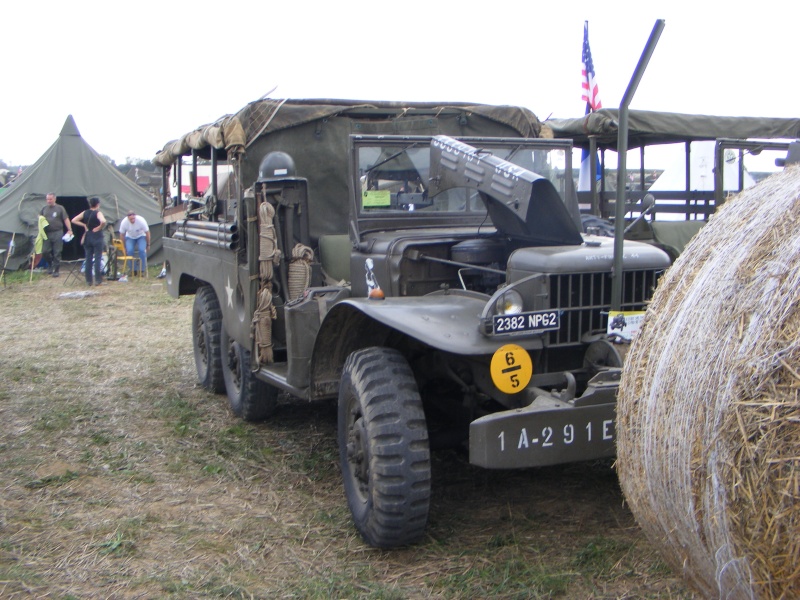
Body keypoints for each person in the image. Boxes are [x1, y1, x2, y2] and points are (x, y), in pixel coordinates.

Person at [71, 197, 107, 286]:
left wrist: (84, 225)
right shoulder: (98, 213)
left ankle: (88, 280)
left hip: (88, 236)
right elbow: (103, 221)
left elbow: (74, 220)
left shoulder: (85, 212)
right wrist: (99, 227)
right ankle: (98, 279)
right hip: (97, 236)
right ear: (98, 204)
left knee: (88, 258)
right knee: (98, 258)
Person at [39, 192, 73, 277]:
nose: (49, 201)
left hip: (57, 232)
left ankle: (56, 270)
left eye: (50, 199)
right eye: (47, 199)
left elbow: (66, 219)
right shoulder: (44, 208)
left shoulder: (60, 208)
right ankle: (50, 264)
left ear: (54, 199)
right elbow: (39, 217)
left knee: (57, 252)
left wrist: (69, 229)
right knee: (45, 251)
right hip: (47, 233)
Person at [119, 211, 150, 276]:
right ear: (128, 218)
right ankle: (133, 270)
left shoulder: (141, 220)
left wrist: (148, 244)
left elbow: (147, 232)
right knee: (129, 251)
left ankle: (142, 270)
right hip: (130, 237)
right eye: (131, 219)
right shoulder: (124, 222)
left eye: (133, 218)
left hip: (141, 236)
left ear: (135, 216)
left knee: (142, 250)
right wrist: (123, 247)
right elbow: (122, 235)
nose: (132, 220)